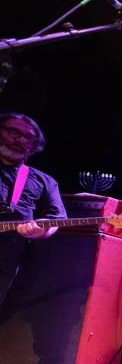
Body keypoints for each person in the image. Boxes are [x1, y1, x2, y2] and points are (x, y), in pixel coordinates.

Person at [0, 112, 67, 305]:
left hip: (5, 262)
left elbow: (55, 219)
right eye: (13, 132)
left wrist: (41, 231)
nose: (20, 140)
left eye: (29, 137)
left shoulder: (44, 181)